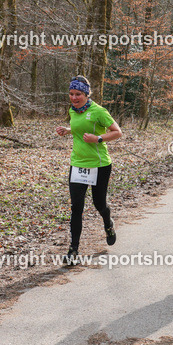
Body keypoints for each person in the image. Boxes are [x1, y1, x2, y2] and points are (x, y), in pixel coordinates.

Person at [55, 76, 122, 263]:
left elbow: (117, 132)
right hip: (78, 163)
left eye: (78, 94)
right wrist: (67, 130)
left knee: (99, 204)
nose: (74, 98)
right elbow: (79, 128)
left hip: (99, 165)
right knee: (76, 207)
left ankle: (108, 224)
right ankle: (73, 251)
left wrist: (98, 138)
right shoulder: (73, 110)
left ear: (86, 94)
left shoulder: (99, 111)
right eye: (71, 94)